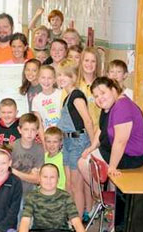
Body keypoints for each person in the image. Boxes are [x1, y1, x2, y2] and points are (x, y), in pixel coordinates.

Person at [78, 77, 143, 232]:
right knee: (85, 160)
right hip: (115, 150)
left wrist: (112, 167)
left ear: (114, 90)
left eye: (103, 93)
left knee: (84, 163)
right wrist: (91, 148)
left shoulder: (122, 107)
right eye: (96, 96)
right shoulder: (109, 107)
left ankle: (102, 201)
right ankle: (109, 210)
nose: (99, 98)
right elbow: (101, 131)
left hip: (131, 156)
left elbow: (121, 141)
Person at [16, 164, 91, 232]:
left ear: (58, 179)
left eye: (52, 177)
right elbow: (25, 221)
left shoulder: (65, 196)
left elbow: (76, 221)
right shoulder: (32, 196)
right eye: (45, 177)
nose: (48, 180)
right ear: (39, 178)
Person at [56, 59, 94, 217]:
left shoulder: (77, 95)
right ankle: (71, 217)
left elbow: (88, 121)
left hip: (78, 141)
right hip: (68, 141)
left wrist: (92, 146)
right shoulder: (67, 95)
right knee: (69, 183)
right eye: (59, 75)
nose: (61, 78)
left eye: (65, 75)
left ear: (73, 77)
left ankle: (77, 221)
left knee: (77, 185)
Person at [11, 113, 45, 199]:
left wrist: (14, 172)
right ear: (19, 130)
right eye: (26, 129)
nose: (29, 133)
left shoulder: (39, 149)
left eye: (33, 130)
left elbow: (37, 179)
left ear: (37, 131)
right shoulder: (11, 147)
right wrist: (30, 176)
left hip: (31, 193)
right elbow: (5, 174)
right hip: (13, 193)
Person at [77, 47, 102, 129]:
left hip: (97, 132)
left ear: (97, 64)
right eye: (86, 60)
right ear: (81, 62)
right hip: (77, 135)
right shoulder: (74, 84)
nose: (89, 64)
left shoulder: (102, 86)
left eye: (93, 61)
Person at [31, 65, 62, 130]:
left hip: (64, 135)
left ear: (54, 80)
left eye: (49, 78)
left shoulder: (62, 94)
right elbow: (39, 125)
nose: (46, 81)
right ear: (38, 79)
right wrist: (43, 140)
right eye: (43, 78)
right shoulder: (36, 100)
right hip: (48, 136)